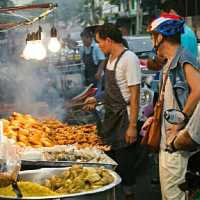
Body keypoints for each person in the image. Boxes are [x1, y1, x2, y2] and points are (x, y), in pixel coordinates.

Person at [142, 14, 200, 200]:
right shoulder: (169, 63)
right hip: (167, 144)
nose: (152, 41)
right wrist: (155, 119)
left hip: (178, 147)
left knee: (175, 196)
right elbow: (170, 101)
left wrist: (178, 123)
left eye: (153, 36)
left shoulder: (183, 58)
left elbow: (198, 89)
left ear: (160, 37)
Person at [84, 23, 141, 200]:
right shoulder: (111, 58)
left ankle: (129, 196)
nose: (99, 45)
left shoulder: (128, 58)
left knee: (125, 165)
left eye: (100, 42)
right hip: (111, 117)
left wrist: (132, 126)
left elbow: (134, 95)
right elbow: (109, 91)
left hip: (125, 118)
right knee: (111, 162)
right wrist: (96, 98)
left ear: (109, 40)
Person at [143, 0, 198, 71]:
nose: (163, 19)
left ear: (172, 12)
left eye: (164, 16)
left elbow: (183, 58)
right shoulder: (184, 31)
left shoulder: (182, 32)